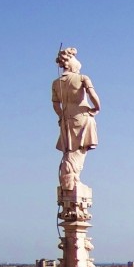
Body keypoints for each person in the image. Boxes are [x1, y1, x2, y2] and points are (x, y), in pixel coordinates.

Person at [52, 47, 100, 191]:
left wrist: (61, 116)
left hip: (66, 119)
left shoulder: (56, 83)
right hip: (82, 117)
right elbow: (93, 96)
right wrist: (96, 108)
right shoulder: (82, 78)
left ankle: (69, 180)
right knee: (79, 150)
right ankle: (73, 180)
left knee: (69, 151)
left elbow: (55, 104)